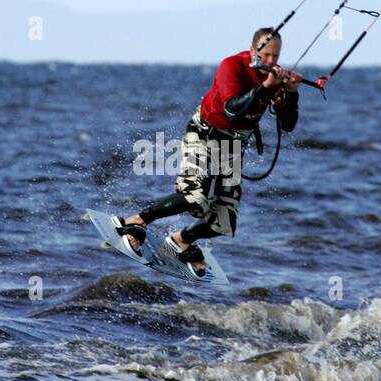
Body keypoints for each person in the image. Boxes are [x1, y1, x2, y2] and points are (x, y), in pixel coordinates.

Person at [118, 27, 303, 277]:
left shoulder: (276, 78)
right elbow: (231, 110)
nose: (271, 61)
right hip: (205, 133)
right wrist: (265, 87)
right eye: (266, 54)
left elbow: (288, 125)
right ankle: (137, 220)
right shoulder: (232, 66)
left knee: (224, 221)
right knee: (196, 196)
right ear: (253, 50)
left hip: (232, 146)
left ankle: (181, 240)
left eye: (276, 57)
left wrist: (291, 93)